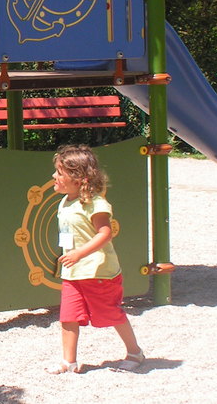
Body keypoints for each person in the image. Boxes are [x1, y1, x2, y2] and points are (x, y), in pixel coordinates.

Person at [47, 144, 144, 374]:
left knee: (110, 313)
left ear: (79, 178)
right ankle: (68, 361)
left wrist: (79, 253)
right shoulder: (65, 201)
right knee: (68, 317)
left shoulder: (96, 203)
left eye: (60, 173)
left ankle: (134, 352)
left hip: (98, 271)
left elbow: (105, 233)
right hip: (73, 273)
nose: (54, 176)